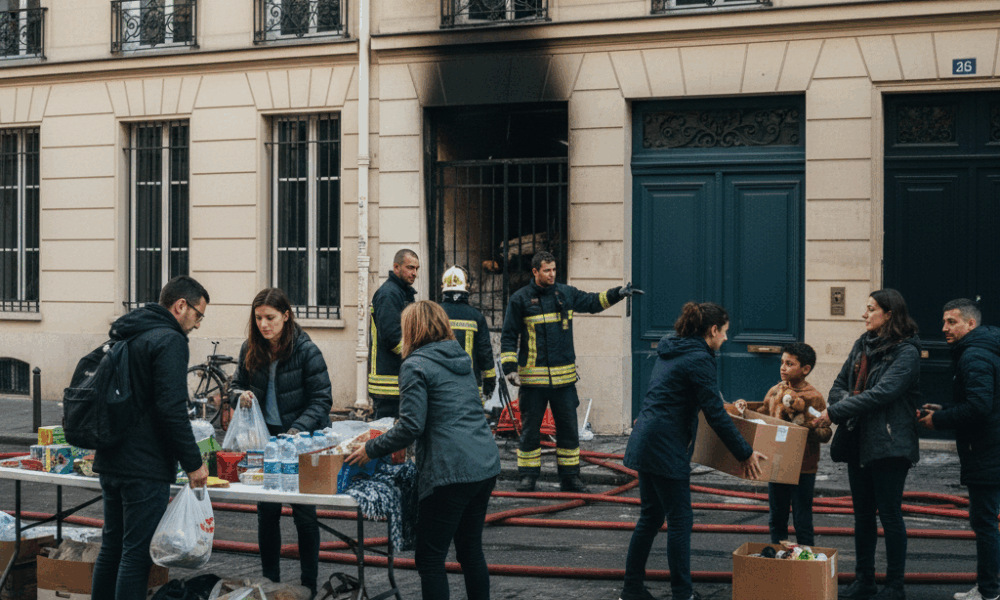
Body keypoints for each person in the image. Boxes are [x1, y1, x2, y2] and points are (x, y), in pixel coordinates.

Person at [346, 300, 501, 600]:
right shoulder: (461, 359)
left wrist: (371, 449)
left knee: (430, 558)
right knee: (470, 552)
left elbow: (411, 426)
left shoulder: (415, 364)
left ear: (412, 330)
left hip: (449, 471)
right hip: (484, 464)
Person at [619, 301, 766, 600]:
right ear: (712, 330)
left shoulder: (672, 350)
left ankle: (632, 590)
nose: (726, 338)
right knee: (680, 521)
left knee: (649, 517)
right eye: (724, 332)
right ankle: (682, 594)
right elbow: (714, 413)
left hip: (647, 439)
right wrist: (745, 452)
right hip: (664, 446)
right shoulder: (699, 358)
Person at [92, 276, 211, 600]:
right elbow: (171, 409)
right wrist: (194, 464)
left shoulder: (130, 334)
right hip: (144, 465)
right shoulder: (170, 340)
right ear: (180, 306)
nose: (198, 324)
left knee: (112, 546)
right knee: (135, 555)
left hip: (112, 456)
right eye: (198, 315)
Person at [500, 250, 641, 492]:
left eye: (554, 269)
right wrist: (510, 368)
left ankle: (570, 478)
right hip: (533, 383)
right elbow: (509, 336)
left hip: (564, 382)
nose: (552, 274)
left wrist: (618, 293)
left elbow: (593, 302)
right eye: (547, 270)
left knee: (568, 432)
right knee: (530, 432)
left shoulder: (566, 293)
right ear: (535, 272)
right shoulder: (520, 299)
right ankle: (528, 477)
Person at [815, 289, 921, 600]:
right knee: (862, 514)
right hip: (858, 440)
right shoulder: (862, 345)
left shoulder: (906, 352)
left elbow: (883, 394)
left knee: (889, 514)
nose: (864, 314)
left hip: (890, 443)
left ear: (889, 314)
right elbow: (838, 384)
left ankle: (895, 585)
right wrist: (844, 401)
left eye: (871, 309)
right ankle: (865, 579)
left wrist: (835, 410)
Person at [231, 288, 333, 594]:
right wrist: (241, 395)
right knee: (267, 512)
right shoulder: (251, 347)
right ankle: (269, 582)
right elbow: (235, 385)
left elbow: (321, 399)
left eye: (270, 318)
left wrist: (297, 430)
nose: (264, 324)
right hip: (265, 442)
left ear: (286, 316)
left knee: (304, 513)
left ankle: (309, 585)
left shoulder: (306, 350)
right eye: (259, 318)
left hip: (300, 442)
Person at [918, 299, 1000, 600]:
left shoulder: (974, 355)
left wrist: (937, 420)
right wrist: (946, 409)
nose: (944, 328)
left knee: (985, 522)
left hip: (986, 451)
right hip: (990, 447)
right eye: (944, 321)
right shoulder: (984, 349)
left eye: (952, 322)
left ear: (970, 324)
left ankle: (989, 591)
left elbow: (980, 406)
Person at [761, 342, 831, 546]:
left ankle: (805, 564)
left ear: (805, 369)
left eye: (789, 364)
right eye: (782, 362)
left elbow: (825, 433)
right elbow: (763, 415)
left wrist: (807, 424)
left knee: (802, 520)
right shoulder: (775, 391)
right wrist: (743, 408)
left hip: (804, 467)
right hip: (776, 464)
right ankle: (779, 557)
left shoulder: (813, 398)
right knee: (776, 519)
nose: (783, 367)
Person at [368, 248, 419, 419]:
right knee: (385, 433)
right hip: (387, 381)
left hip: (397, 378)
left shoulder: (402, 293)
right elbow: (392, 337)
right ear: (396, 267)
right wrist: (415, 357)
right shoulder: (389, 294)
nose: (414, 273)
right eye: (410, 268)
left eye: (417, 269)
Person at [439, 265, 497, 403]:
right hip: (469, 385)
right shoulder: (476, 317)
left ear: (443, 289)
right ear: (467, 288)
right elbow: (485, 352)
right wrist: (489, 381)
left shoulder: (434, 314)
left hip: (439, 385)